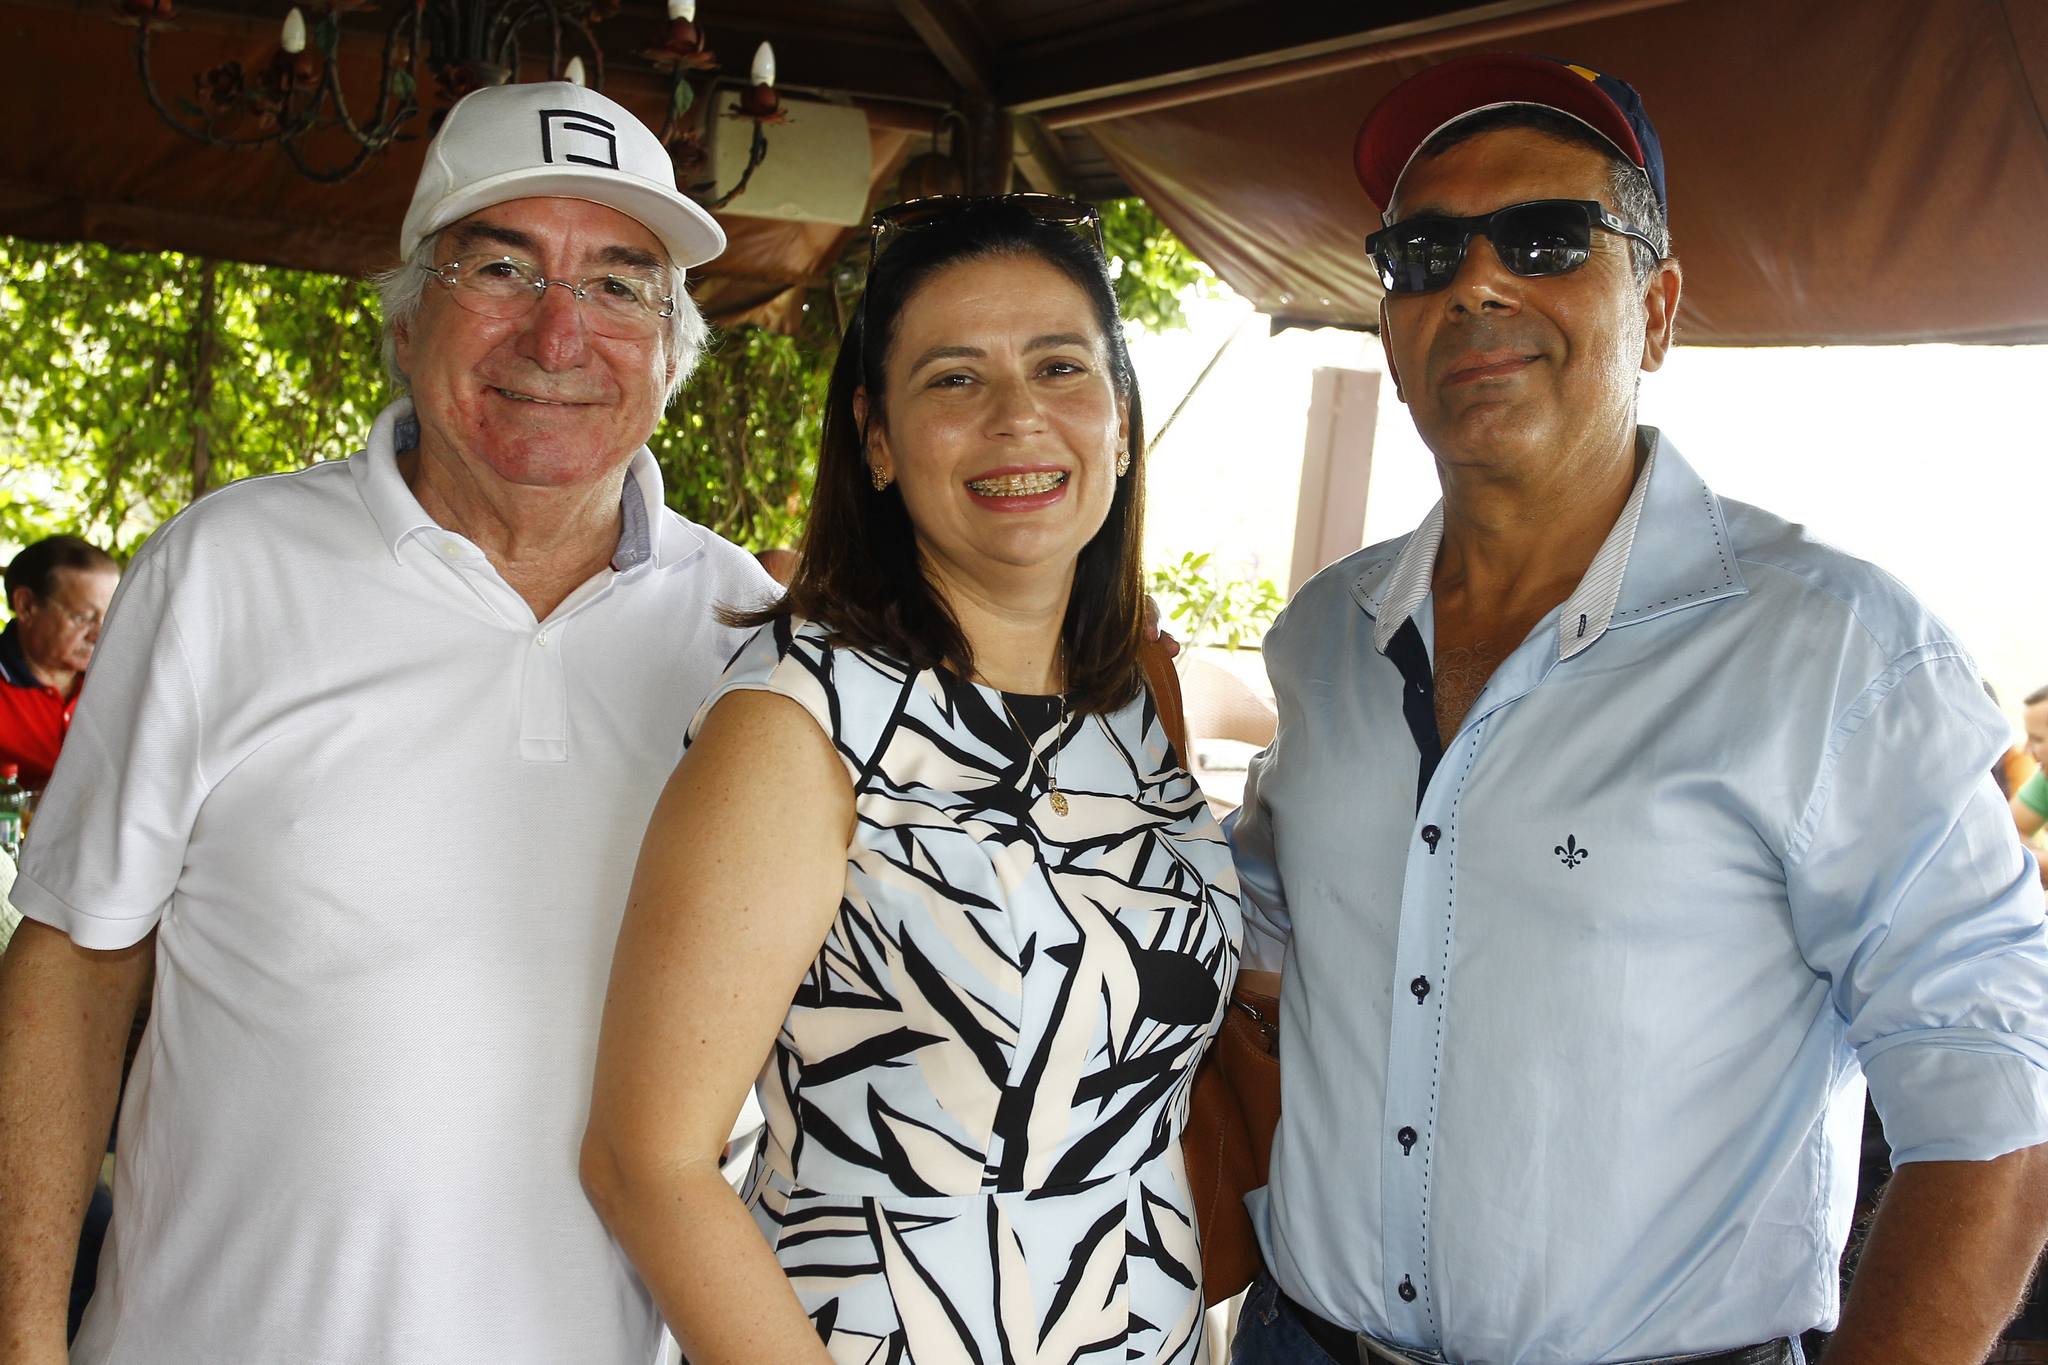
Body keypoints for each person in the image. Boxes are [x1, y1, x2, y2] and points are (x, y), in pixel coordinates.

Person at [1227, 54, 2048, 1365]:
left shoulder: (1830, 651)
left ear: (1656, 310)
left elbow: (1997, 1096)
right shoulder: (1328, 633)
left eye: (1548, 239)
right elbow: (1267, 920)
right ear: (1389, 324)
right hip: (1301, 1341)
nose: (1476, 284)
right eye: (1423, 253)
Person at [0, 81, 776, 1365]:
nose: (558, 334)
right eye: (501, 268)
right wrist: (25, 1342)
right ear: (409, 316)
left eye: (619, 284)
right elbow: (74, 964)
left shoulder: (749, 629)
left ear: (671, 346)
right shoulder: (225, 567)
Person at [581, 195, 1243, 1364]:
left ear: (1120, 423)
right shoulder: (795, 728)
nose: (1016, 416)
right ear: (876, 440)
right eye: (952, 379)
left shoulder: (1130, 700)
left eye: (1059, 367)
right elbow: (647, 1165)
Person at [0, 535, 119, 791]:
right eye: (83, 617)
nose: (100, 634)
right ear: (26, 605)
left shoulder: (120, 681)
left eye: (110, 617)